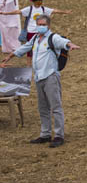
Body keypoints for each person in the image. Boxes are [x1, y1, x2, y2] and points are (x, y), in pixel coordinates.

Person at [0, 14, 80, 147]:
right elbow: (23, 48)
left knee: (55, 107)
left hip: (50, 76)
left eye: (43, 24)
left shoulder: (52, 38)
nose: (41, 27)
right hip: (38, 77)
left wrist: (70, 44)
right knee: (43, 108)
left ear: (48, 25)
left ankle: (59, 135)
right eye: (39, 24)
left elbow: (63, 42)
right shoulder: (36, 39)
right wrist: (10, 56)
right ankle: (45, 134)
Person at [1, 0, 71, 53]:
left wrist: (65, 12)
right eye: (38, 1)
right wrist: (5, 13)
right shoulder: (29, 9)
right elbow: (18, 12)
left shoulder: (43, 9)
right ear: (34, 1)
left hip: (41, 32)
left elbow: (54, 11)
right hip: (31, 32)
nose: (40, 2)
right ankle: (29, 65)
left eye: (41, 0)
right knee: (30, 50)